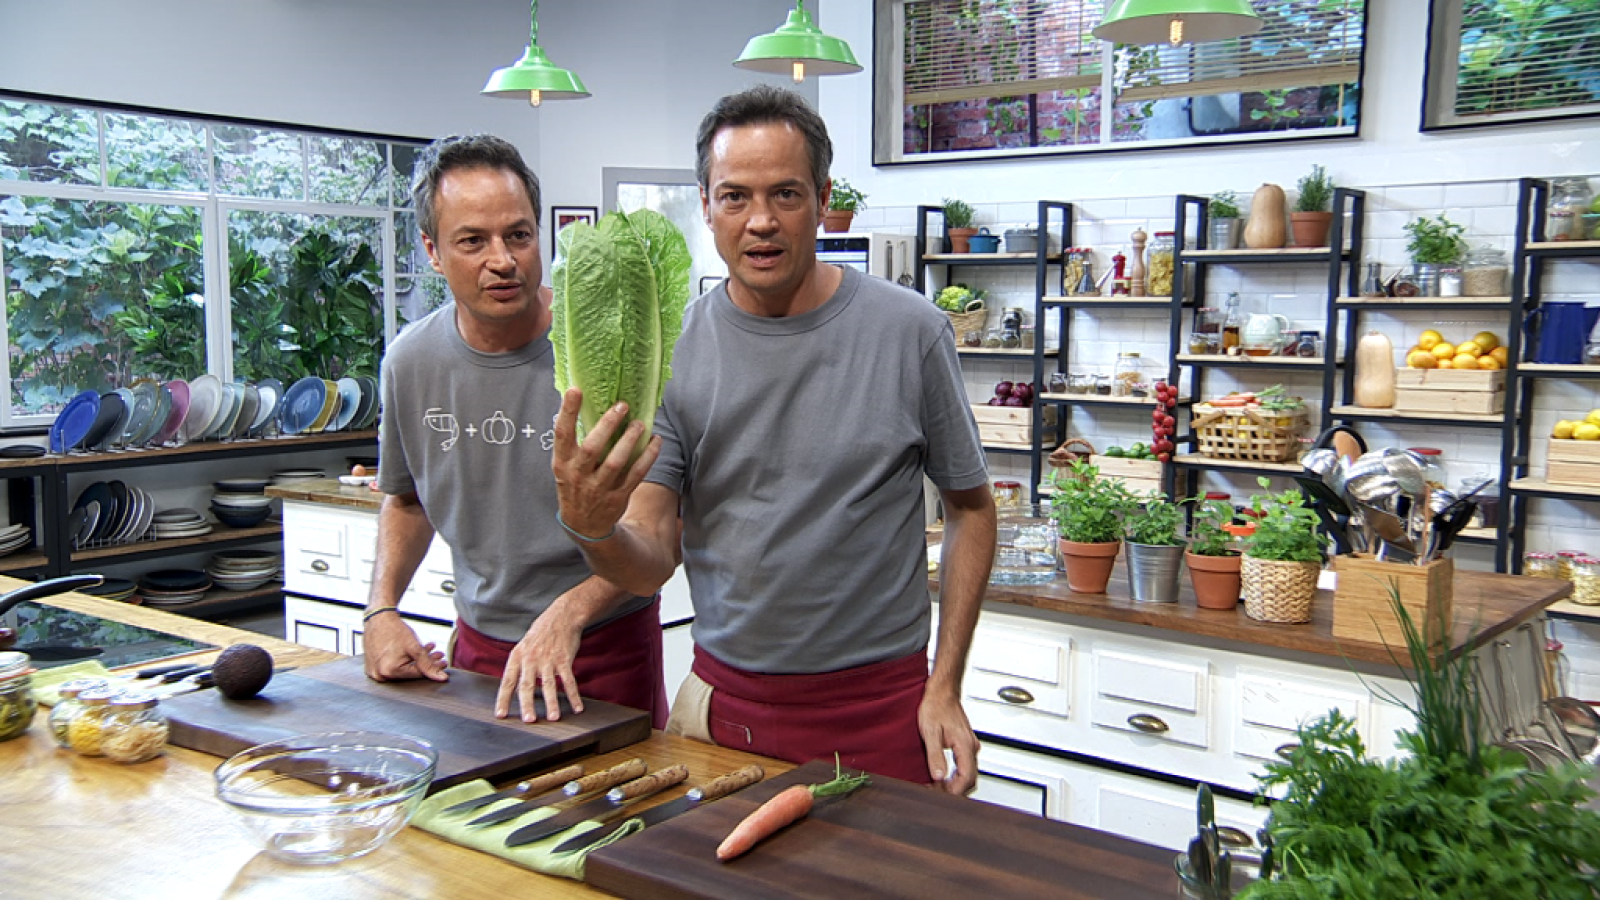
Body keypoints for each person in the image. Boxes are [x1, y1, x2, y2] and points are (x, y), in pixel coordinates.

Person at [551, 86, 995, 793]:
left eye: (785, 194)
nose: (760, 221)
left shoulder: (910, 332)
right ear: (705, 204)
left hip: (883, 708)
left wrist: (945, 686)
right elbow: (650, 560)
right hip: (724, 710)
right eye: (735, 197)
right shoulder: (674, 350)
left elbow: (972, 509)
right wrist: (590, 528)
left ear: (822, 198)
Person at [364, 134, 666, 728]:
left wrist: (570, 613)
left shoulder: (609, 355)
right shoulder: (410, 362)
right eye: (472, 241)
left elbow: (655, 530)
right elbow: (406, 500)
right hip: (478, 651)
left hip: (600, 643)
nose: (502, 260)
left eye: (518, 236)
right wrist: (381, 610)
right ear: (431, 249)